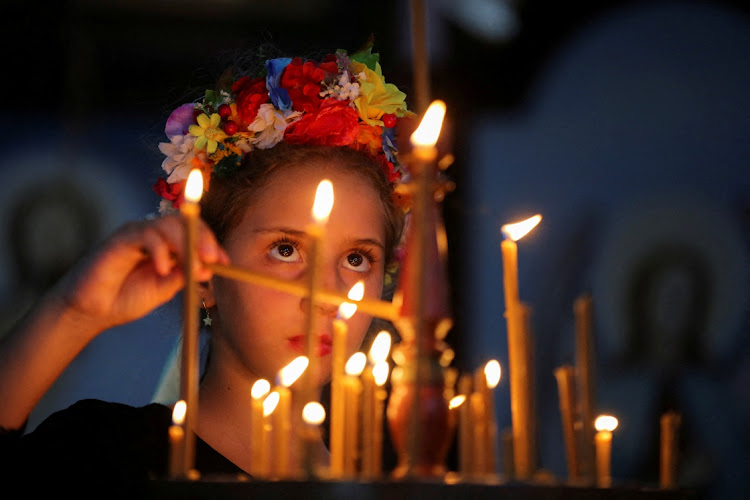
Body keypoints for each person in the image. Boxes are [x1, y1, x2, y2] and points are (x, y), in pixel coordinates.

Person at [0, 40, 413, 496]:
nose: (325, 293)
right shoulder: (104, 456)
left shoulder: (389, 489)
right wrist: (73, 313)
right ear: (206, 273)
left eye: (357, 259)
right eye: (285, 249)